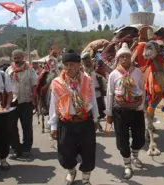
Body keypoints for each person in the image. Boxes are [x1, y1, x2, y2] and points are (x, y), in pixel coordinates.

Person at [48, 49, 99, 185]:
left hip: (85, 121)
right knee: (65, 153)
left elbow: (93, 100)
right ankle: (71, 171)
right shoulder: (57, 83)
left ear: (79, 65)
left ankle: (86, 179)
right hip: (66, 123)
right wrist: (53, 125)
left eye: (72, 64)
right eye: (66, 64)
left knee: (88, 152)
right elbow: (54, 105)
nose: (69, 67)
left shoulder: (88, 80)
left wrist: (96, 118)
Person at [105, 43, 146, 179]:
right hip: (120, 112)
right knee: (122, 140)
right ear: (118, 59)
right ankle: (127, 165)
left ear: (131, 57)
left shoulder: (138, 73)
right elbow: (110, 94)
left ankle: (135, 156)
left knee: (139, 138)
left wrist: (141, 108)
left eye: (127, 56)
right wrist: (109, 114)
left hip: (136, 110)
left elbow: (142, 90)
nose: (124, 59)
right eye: (121, 56)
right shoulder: (114, 75)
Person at [6, 49, 38, 158]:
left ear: (23, 57)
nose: (16, 60)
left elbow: (34, 85)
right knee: (11, 127)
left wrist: (34, 99)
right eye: (14, 58)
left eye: (18, 58)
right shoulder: (9, 70)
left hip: (26, 102)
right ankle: (16, 148)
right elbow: (6, 87)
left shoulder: (30, 70)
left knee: (27, 127)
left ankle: (26, 148)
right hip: (13, 102)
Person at [81, 52, 107, 131]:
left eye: (87, 58)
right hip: (87, 97)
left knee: (98, 111)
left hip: (97, 94)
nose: (87, 61)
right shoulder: (81, 72)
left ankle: (97, 122)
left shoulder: (96, 67)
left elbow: (103, 76)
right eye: (84, 59)